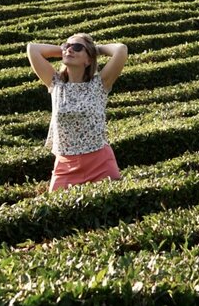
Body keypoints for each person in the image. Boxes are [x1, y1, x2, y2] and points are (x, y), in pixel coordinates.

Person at [27, 33, 128, 191]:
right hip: (65, 166)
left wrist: (95, 49)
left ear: (88, 60)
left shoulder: (99, 84)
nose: (69, 50)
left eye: (77, 47)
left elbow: (121, 50)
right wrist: (64, 49)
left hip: (100, 163)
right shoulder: (56, 83)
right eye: (67, 46)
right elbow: (33, 49)